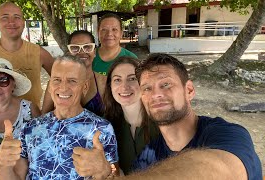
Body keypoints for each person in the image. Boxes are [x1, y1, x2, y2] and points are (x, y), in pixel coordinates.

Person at [72, 53, 262, 179]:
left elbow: (221, 170)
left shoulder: (227, 133)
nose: (156, 94)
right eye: (147, 88)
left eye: (166, 84)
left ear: (189, 90)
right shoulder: (149, 155)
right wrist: (106, 171)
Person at [0, 55, 118, 180]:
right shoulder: (30, 128)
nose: (63, 87)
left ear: (84, 87)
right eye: (57, 80)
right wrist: (2, 164)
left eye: (72, 81)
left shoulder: (102, 128)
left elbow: (116, 175)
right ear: (50, 86)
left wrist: (103, 170)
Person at [101, 56, 158, 175]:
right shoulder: (106, 126)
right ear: (110, 86)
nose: (124, 86)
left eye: (132, 78)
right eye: (117, 80)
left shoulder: (163, 121)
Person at [41, 30, 106, 116]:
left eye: (87, 47)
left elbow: (112, 117)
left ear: (94, 52)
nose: (82, 52)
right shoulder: (55, 84)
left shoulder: (104, 81)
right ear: (69, 53)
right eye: (75, 48)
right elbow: (44, 115)